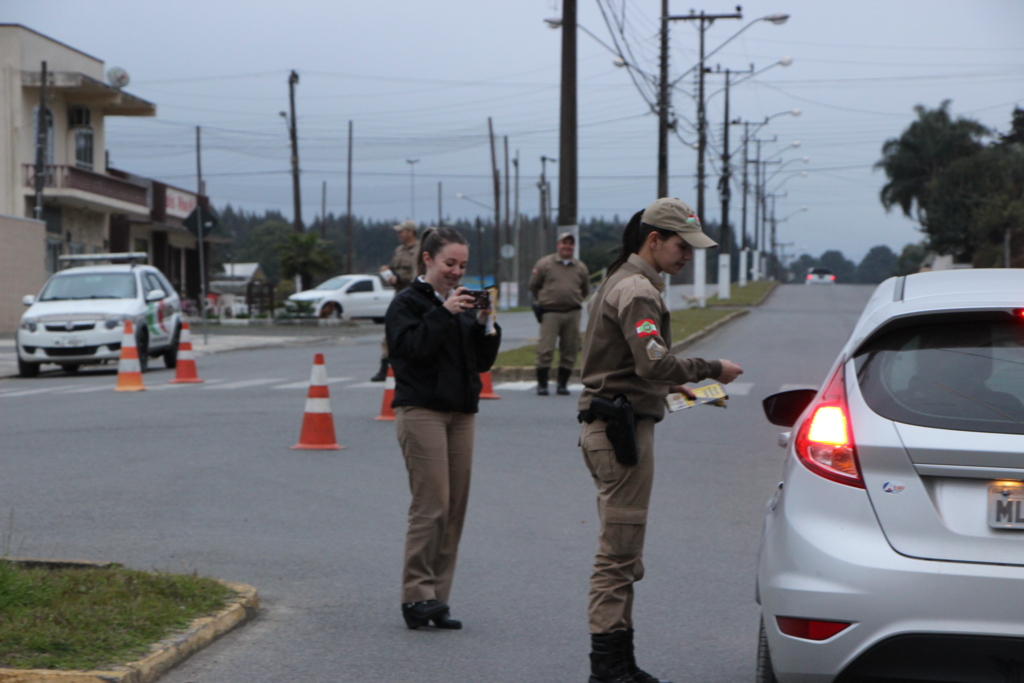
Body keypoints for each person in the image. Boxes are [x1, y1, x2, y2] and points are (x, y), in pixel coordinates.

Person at [577, 198, 743, 683]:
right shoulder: (637, 290)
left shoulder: (623, 281)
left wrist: (671, 384)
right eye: (681, 245)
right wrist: (712, 369)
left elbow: (625, 364)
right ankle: (608, 668)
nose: (687, 255)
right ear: (653, 240)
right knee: (618, 555)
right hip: (619, 431)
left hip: (613, 424)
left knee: (624, 549)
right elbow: (651, 362)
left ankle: (621, 662)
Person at [385, 226, 502, 630]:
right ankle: (415, 596)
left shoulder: (464, 304)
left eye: (463, 265)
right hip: (421, 412)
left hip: (461, 413)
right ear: (428, 259)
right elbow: (408, 351)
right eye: (450, 263)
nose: (457, 272)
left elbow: (481, 363)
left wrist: (486, 324)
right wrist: (444, 312)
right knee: (431, 505)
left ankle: (437, 598)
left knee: (454, 509)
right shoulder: (407, 303)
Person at [529, 231, 590, 396]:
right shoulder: (545, 264)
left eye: (570, 244)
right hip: (550, 313)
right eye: (564, 243)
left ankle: (562, 384)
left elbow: (585, 290)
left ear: (574, 247)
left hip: (572, 313)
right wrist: (544, 300)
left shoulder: (580, 267)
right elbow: (534, 285)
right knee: (545, 349)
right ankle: (542, 385)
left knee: (570, 349)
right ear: (558, 245)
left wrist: (571, 299)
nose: (567, 246)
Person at [372, 219, 419, 382]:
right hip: (399, 296)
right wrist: (388, 271)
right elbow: (393, 269)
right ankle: (384, 368)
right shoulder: (399, 250)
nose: (399, 234)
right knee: (391, 331)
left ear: (411, 232)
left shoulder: (420, 250)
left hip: (414, 296)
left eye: (402, 231)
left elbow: (417, 273)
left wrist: (400, 277)